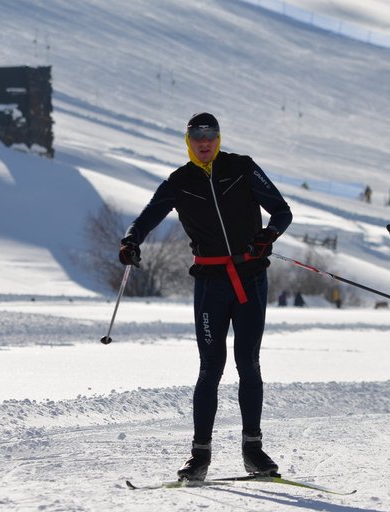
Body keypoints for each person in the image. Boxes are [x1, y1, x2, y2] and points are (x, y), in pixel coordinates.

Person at [119, 112, 293, 481]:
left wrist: (269, 234)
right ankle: (199, 456)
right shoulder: (179, 182)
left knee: (249, 364)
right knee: (210, 368)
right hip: (211, 283)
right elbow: (148, 216)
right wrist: (132, 240)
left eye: (211, 136)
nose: (205, 143)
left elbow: (282, 210)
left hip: (249, 279)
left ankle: (253, 450)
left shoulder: (242, 168)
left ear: (218, 138)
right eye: (198, 138)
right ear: (189, 142)